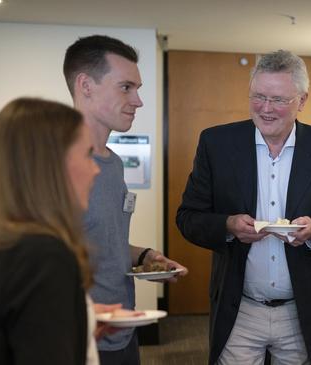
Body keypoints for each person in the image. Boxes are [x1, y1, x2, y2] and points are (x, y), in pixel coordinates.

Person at [176, 49, 311, 365]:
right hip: (240, 309)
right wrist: (228, 226)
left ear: (302, 101)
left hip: (300, 312)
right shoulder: (217, 144)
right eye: (258, 97)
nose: (265, 109)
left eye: (278, 100)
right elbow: (188, 218)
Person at [63, 35, 188, 364]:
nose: (138, 100)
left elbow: (103, 237)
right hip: (79, 338)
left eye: (138, 88)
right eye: (125, 87)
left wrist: (146, 256)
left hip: (122, 332)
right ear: (86, 85)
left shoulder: (114, 162)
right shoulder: (55, 163)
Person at [0, 98, 99, 364]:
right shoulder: (43, 256)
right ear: (51, 164)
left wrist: (74, 323)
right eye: (88, 154)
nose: (96, 169)